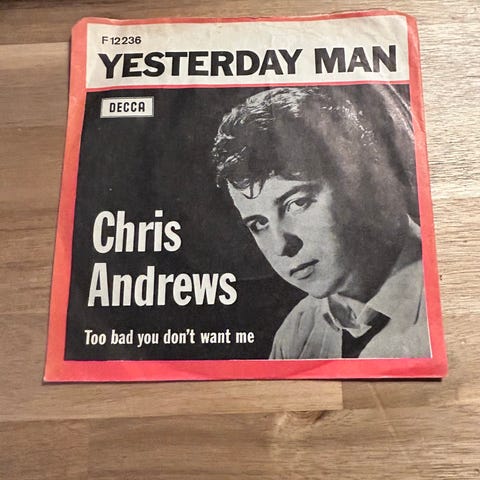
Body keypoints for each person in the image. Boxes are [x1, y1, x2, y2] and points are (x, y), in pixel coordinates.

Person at [211, 86, 431, 359]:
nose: (280, 246)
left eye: (297, 203)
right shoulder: (297, 332)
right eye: (258, 224)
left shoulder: (446, 295)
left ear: (358, 180)